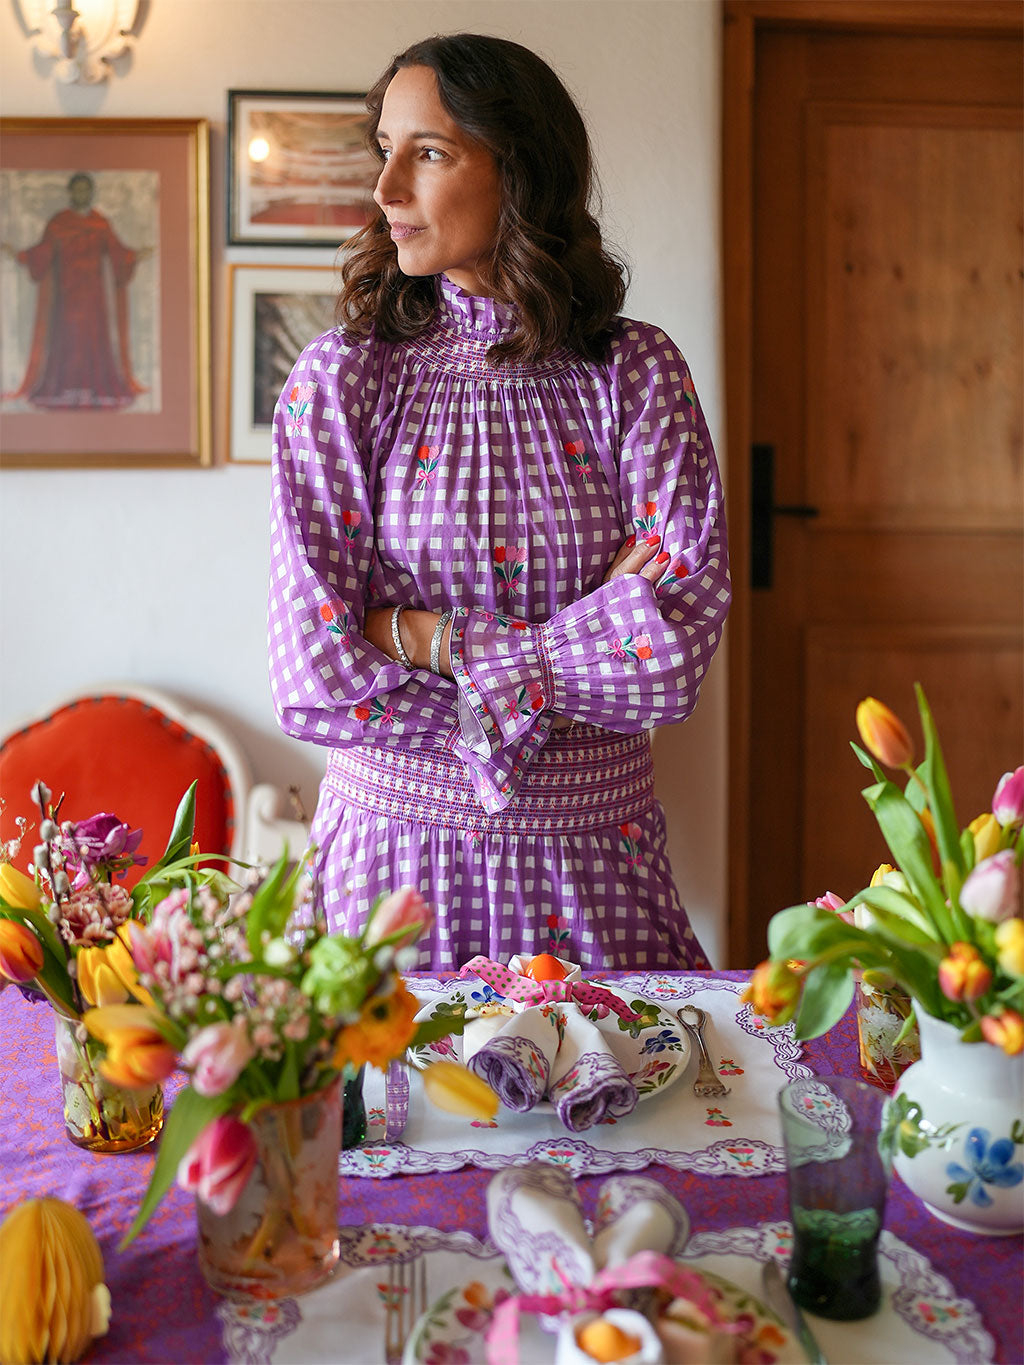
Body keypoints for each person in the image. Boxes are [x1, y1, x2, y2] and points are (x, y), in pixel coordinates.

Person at [268, 33, 730, 972]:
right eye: (385, 150)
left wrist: (411, 634)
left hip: (591, 871)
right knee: (382, 1076)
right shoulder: (344, 381)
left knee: (625, 1071)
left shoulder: (635, 372)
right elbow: (314, 673)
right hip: (389, 878)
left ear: (519, 171)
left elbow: (671, 656)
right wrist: (584, 634)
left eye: (429, 152)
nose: (386, 188)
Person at [3, 172, 147, 409]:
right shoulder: (58, 222)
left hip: (94, 296)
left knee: (94, 339)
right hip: (67, 295)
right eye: (78, 189)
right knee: (67, 339)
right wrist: (19, 255)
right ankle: (63, 388)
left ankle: (95, 388)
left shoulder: (101, 223)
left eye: (86, 189)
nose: (82, 193)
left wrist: (135, 256)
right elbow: (42, 252)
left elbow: (117, 252)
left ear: (91, 192)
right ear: (70, 192)